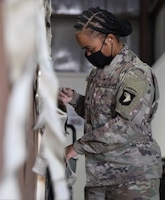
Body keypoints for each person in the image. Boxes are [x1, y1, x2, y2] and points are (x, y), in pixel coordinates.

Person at [58, 6, 162, 200]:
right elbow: (100, 116)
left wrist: (76, 148)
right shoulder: (98, 73)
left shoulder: (135, 74)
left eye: (90, 49)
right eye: (84, 50)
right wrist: (75, 99)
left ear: (110, 39)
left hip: (132, 178)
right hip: (99, 176)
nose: (88, 55)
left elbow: (124, 127)